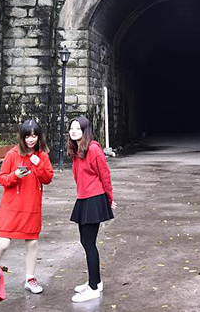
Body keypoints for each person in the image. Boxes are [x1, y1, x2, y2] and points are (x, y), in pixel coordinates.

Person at [0, 119, 54, 301]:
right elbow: (2, 178)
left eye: (35, 136)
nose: (31, 140)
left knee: (32, 243)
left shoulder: (42, 155)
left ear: (39, 137)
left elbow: (47, 178)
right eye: (28, 136)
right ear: (22, 137)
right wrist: (15, 175)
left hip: (31, 206)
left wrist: (38, 165)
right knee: (3, 243)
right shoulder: (12, 154)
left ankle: (30, 278)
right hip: (11, 207)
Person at [68, 116, 116, 303]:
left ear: (85, 131)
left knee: (89, 243)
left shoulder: (94, 149)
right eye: (71, 128)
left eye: (78, 129)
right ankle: (95, 282)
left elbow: (105, 174)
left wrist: (109, 198)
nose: (73, 131)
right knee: (86, 241)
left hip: (93, 199)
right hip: (84, 198)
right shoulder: (77, 150)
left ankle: (94, 288)